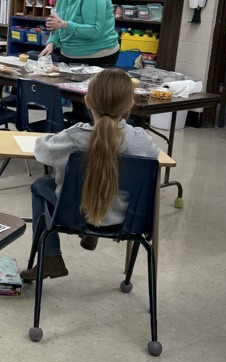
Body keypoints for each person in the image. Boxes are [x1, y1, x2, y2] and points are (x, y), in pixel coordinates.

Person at [20, 68, 160, 281]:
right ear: (130, 105)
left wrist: (55, 136)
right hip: (127, 222)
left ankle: (50, 257)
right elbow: (155, 158)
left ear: (87, 101)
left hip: (75, 216)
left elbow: (41, 151)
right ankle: (90, 232)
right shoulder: (139, 139)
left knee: (40, 185)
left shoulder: (75, 136)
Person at [40, 0, 120, 67]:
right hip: (69, 54)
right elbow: (58, 24)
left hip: (96, 56)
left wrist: (64, 24)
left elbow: (94, 30)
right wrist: (52, 42)